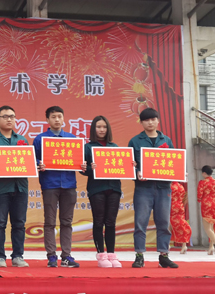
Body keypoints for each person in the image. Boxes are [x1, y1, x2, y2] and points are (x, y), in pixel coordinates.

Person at [33, 106, 86, 268]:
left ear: (64, 119)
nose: (57, 120)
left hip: (69, 184)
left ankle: (66, 256)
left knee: (67, 222)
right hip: (50, 184)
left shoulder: (72, 139)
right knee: (49, 221)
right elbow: (32, 160)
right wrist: (39, 164)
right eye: (53, 117)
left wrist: (82, 165)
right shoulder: (40, 139)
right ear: (47, 120)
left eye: (59, 116)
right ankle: (51, 256)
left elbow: (79, 162)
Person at [128, 107, 178, 268]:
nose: (150, 122)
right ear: (141, 122)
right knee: (140, 222)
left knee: (163, 222)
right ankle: (139, 255)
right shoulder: (135, 141)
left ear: (158, 121)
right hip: (143, 188)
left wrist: (179, 172)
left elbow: (173, 162)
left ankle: (164, 255)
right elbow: (129, 166)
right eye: (146, 120)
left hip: (163, 188)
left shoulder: (166, 140)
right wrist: (137, 172)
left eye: (153, 119)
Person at [0, 105, 30, 268]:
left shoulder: (22, 140)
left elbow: (28, 163)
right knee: (0, 223)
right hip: (0, 188)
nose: (9, 119)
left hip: (20, 188)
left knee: (19, 223)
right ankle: (0, 257)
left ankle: (18, 256)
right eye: (5, 116)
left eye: (12, 116)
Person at [81, 116, 129, 268]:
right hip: (97, 188)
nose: (102, 130)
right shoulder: (88, 147)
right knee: (99, 221)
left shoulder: (114, 147)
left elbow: (122, 167)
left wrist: (130, 165)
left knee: (110, 222)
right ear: (93, 129)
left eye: (104, 127)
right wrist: (90, 168)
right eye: (98, 127)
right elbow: (82, 169)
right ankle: (101, 255)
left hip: (114, 188)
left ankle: (112, 254)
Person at [197, 165, 215, 255]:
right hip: (214, 204)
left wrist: (199, 199)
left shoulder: (202, 182)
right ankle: (211, 247)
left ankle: (213, 245)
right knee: (211, 227)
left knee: (208, 229)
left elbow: (199, 196)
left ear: (204, 173)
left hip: (207, 206)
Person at [170, 182, 192, 254]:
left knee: (169, 224)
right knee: (181, 224)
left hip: (172, 206)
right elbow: (184, 197)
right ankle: (184, 245)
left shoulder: (170, 187)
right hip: (180, 206)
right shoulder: (181, 187)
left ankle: (167, 244)